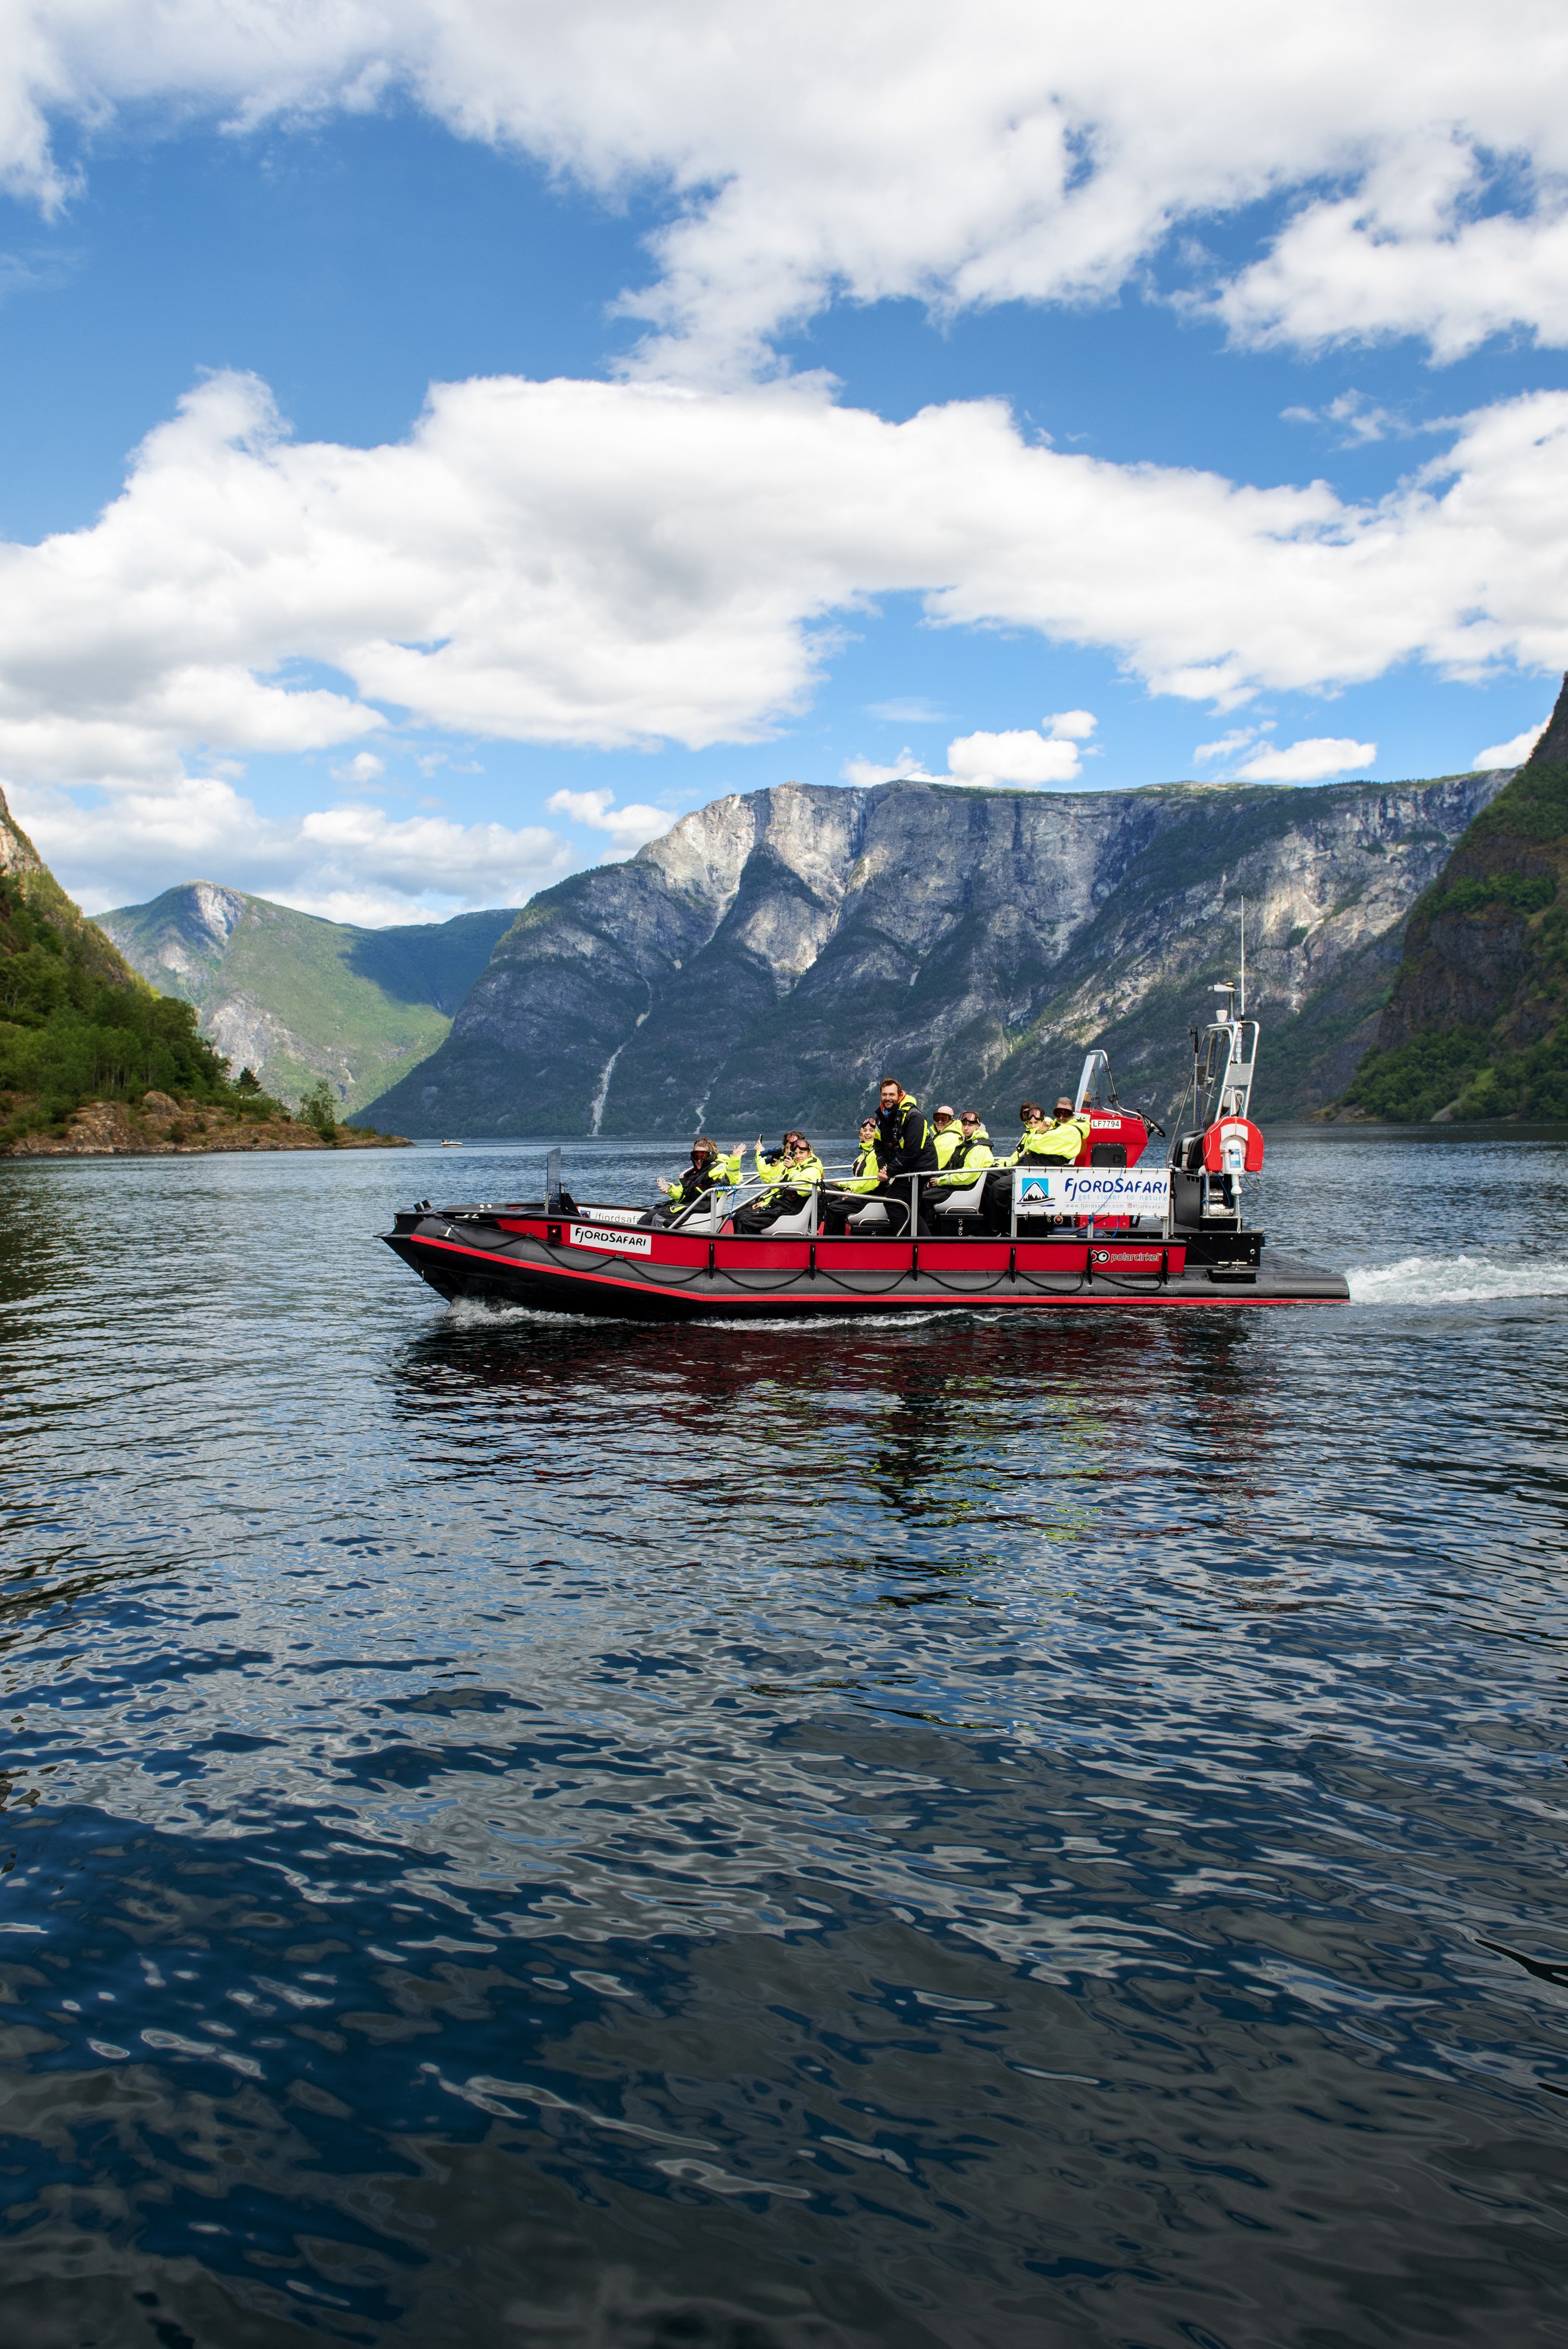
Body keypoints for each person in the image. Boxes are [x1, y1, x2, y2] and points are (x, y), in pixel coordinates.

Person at [982, 1098, 1087, 1233]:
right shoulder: (1056, 1127)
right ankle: (986, 1223)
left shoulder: (1070, 1131)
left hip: (1042, 1170)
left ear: (1073, 1114)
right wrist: (1039, 1134)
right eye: (1058, 1112)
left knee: (1000, 1188)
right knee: (987, 1176)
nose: (1061, 1116)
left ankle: (996, 1230)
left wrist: (1038, 1135)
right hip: (1028, 1164)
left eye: (1066, 1113)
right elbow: (1032, 1144)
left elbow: (1035, 1145)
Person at [867, 1076, 938, 1234]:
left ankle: (906, 1242)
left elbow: (913, 1151)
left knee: (893, 1201)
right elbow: (878, 1146)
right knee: (910, 1208)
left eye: (892, 1095)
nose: (888, 1098)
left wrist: (890, 1172)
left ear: (900, 1095)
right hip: (905, 1168)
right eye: (884, 1094)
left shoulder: (914, 1116)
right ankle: (925, 1245)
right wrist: (883, 1167)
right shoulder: (883, 1118)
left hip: (921, 1168)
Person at [733, 1132, 825, 1234]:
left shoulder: (811, 1168)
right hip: (781, 1205)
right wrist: (764, 1201)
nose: (798, 1156)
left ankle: (749, 1248)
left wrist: (791, 1168)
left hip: (790, 1211)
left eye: (801, 1153)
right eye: (795, 1153)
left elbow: (803, 1189)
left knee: (745, 1221)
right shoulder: (793, 1164)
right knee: (739, 1216)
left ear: (809, 1153)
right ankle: (747, 1247)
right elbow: (775, 1184)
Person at [924, 1109, 993, 1229]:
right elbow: (951, 1167)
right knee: (919, 1191)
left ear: (978, 1126)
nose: (966, 1128)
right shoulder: (965, 1144)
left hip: (962, 1189)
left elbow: (968, 1176)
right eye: (964, 1124)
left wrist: (940, 1181)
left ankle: (926, 1234)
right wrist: (935, 1179)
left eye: (970, 1125)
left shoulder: (979, 1147)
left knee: (922, 1198)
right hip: (955, 1186)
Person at [652, 1135, 744, 1222]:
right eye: (696, 1156)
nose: (699, 1160)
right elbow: (682, 1196)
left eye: (703, 1156)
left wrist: (735, 1159)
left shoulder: (719, 1169)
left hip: (705, 1208)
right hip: (690, 1205)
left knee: (660, 1217)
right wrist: (671, 1189)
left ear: (710, 1155)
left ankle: (656, 1237)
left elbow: (733, 1179)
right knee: (654, 1212)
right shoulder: (691, 1173)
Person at [823, 1118, 883, 1234]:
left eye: (871, 1130)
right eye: (865, 1130)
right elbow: (859, 1180)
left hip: (871, 1198)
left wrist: (850, 1190)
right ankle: (814, 1228)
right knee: (823, 1189)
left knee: (834, 1208)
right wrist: (842, 1184)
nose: (867, 1133)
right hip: (862, 1194)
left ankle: (832, 1244)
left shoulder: (876, 1154)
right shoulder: (865, 1153)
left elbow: (869, 1183)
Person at [931, 1105, 963, 1169]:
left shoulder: (950, 1137)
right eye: (937, 1118)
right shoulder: (940, 1135)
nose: (940, 1121)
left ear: (952, 1120)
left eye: (944, 1119)